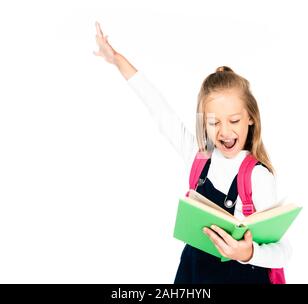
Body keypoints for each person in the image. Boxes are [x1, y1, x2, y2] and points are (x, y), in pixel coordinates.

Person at [93, 21, 291, 284]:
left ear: (250, 118)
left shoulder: (257, 177)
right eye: (214, 122)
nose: (224, 132)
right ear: (203, 122)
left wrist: (249, 252)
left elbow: (283, 252)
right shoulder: (199, 157)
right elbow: (160, 110)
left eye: (233, 120)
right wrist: (117, 59)